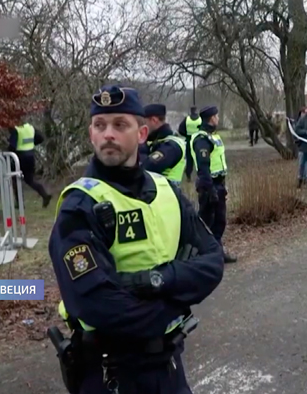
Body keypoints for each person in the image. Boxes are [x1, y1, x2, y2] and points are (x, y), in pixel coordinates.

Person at [48, 84, 225, 394]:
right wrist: (179, 301)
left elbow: (212, 262)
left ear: (142, 133)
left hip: (169, 368)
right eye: (100, 126)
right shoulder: (79, 206)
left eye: (120, 125)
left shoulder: (168, 192)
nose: (108, 135)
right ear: (91, 134)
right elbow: (99, 307)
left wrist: (155, 280)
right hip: (110, 374)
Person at [191, 106, 237, 263]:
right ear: (211, 118)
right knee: (207, 222)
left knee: (219, 221)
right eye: (216, 116)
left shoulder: (212, 136)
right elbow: (203, 166)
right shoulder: (202, 139)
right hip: (209, 185)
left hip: (218, 183)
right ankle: (203, 255)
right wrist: (210, 189)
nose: (218, 119)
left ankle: (216, 252)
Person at [8, 121, 52, 208]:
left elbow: (12, 146)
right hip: (30, 157)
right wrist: (32, 144)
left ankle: (19, 203)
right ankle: (45, 195)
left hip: (20, 158)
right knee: (30, 180)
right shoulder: (30, 128)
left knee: (15, 179)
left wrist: (7, 154)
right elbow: (41, 138)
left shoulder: (16, 130)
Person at [141, 104, 187, 185]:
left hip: (166, 194)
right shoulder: (156, 141)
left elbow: (146, 168)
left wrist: (140, 145)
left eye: (143, 122)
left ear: (154, 120)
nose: (141, 126)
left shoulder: (171, 146)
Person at [177, 106, 201, 182]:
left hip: (189, 140)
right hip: (199, 140)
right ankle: (200, 176)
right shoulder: (201, 119)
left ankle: (188, 175)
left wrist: (186, 135)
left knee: (189, 160)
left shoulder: (186, 119)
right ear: (197, 111)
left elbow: (180, 130)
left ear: (190, 111)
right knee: (199, 159)